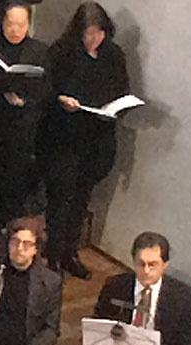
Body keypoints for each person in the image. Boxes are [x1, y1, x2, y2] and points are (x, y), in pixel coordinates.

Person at [37, 2, 129, 278]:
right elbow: (46, 90)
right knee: (60, 198)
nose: (93, 39)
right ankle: (53, 252)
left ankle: (70, 252)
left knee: (80, 199)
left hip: (95, 141)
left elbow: (122, 91)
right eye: (88, 34)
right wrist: (61, 100)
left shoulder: (113, 55)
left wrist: (115, 109)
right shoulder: (62, 52)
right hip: (63, 139)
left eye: (98, 33)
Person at [0, 3, 47, 227]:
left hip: (22, 123)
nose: (15, 30)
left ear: (28, 25)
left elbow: (45, 88)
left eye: (20, 25)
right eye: (10, 24)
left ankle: (9, 219)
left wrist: (25, 101)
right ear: (2, 23)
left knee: (15, 172)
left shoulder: (39, 51)